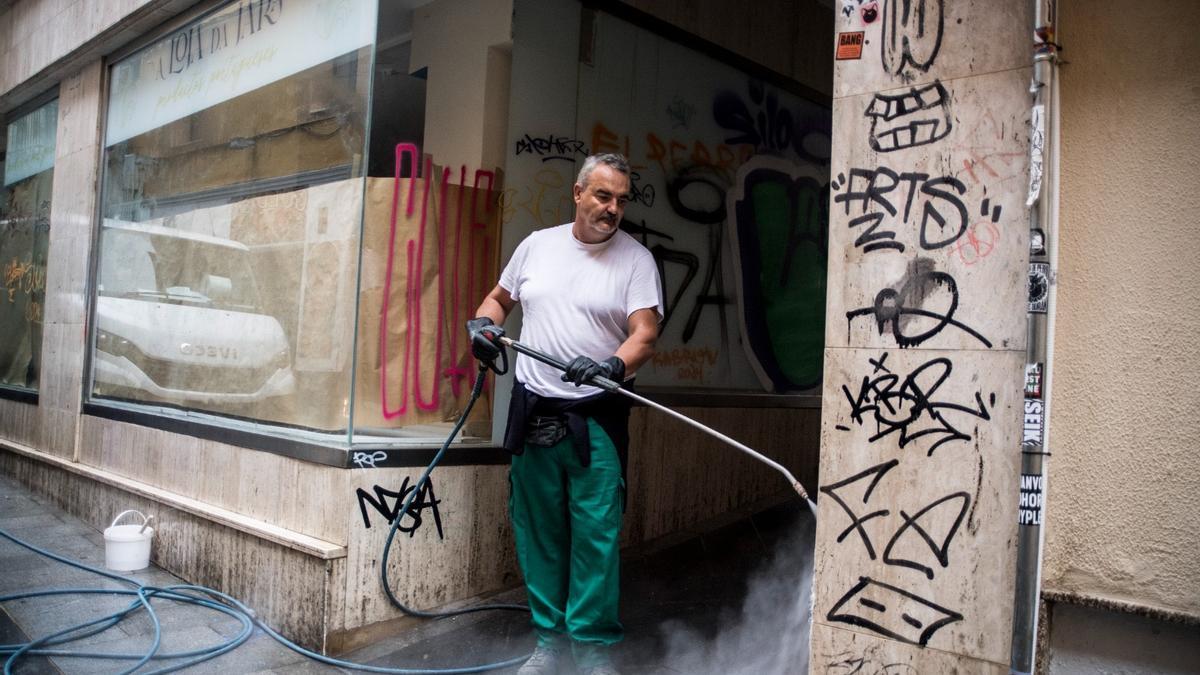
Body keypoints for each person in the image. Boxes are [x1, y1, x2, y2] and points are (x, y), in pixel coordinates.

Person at [466, 153, 662, 675]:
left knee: (595, 538)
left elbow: (645, 334)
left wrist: (610, 366)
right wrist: (482, 326)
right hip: (533, 411)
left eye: (621, 199)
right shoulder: (536, 246)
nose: (612, 208)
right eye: (603, 196)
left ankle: (594, 653)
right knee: (539, 533)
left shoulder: (636, 260)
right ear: (578, 193)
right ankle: (550, 644)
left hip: (596, 415)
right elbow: (498, 300)